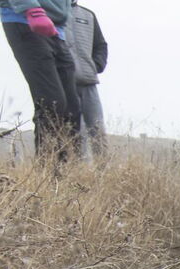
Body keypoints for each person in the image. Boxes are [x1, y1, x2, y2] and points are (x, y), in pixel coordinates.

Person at [0, 0, 80, 161]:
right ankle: (48, 171)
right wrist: (31, 9)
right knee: (52, 102)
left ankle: (65, 173)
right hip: (25, 20)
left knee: (71, 108)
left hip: (57, 28)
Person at [65, 1, 108, 157]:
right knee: (77, 132)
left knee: (97, 130)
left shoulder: (88, 15)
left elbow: (101, 45)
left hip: (89, 83)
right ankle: (81, 171)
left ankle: (103, 173)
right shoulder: (53, 13)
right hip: (65, 84)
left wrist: (96, 65)